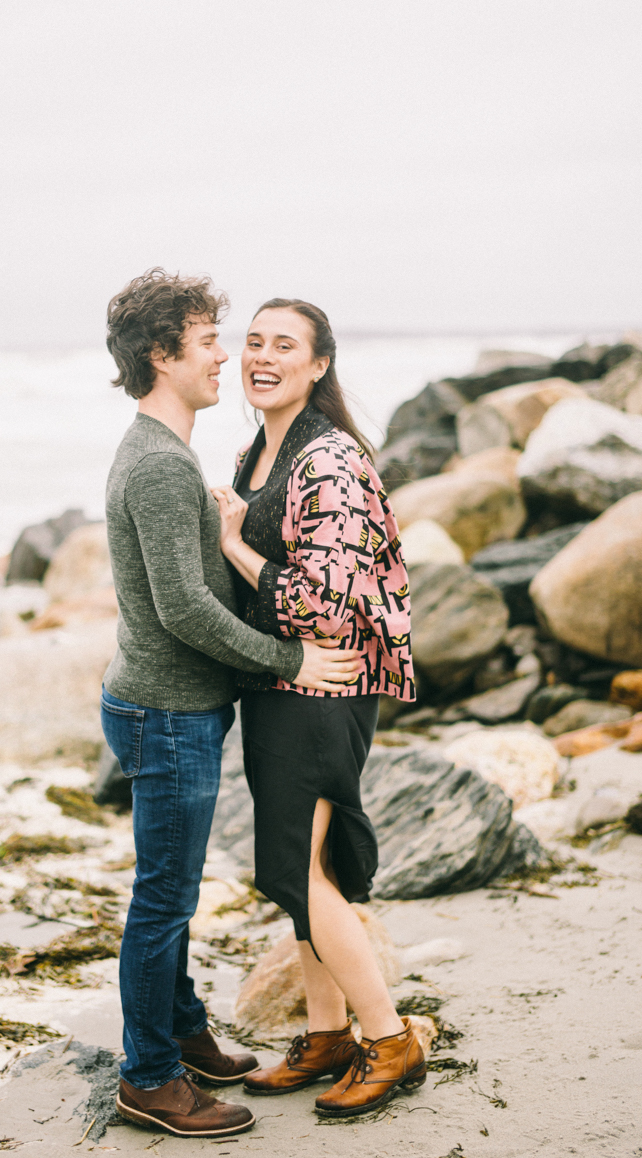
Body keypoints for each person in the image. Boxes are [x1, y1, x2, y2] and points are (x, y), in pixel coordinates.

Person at [101, 270, 362, 1139]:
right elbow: (184, 610)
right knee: (165, 899)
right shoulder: (161, 466)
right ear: (161, 355)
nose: (227, 355)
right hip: (167, 713)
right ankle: (148, 1077)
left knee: (167, 889)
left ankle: (181, 1032)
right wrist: (290, 656)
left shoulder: (165, 455)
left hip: (168, 708)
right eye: (210, 340)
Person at [210, 298, 424, 1120]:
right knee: (312, 871)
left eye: (285, 345)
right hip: (282, 683)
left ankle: (389, 1037)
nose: (263, 356)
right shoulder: (257, 451)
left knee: (300, 870)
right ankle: (327, 1033)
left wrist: (234, 545)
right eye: (254, 342)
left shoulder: (326, 459)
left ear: (319, 364)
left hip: (324, 683)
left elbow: (332, 599)